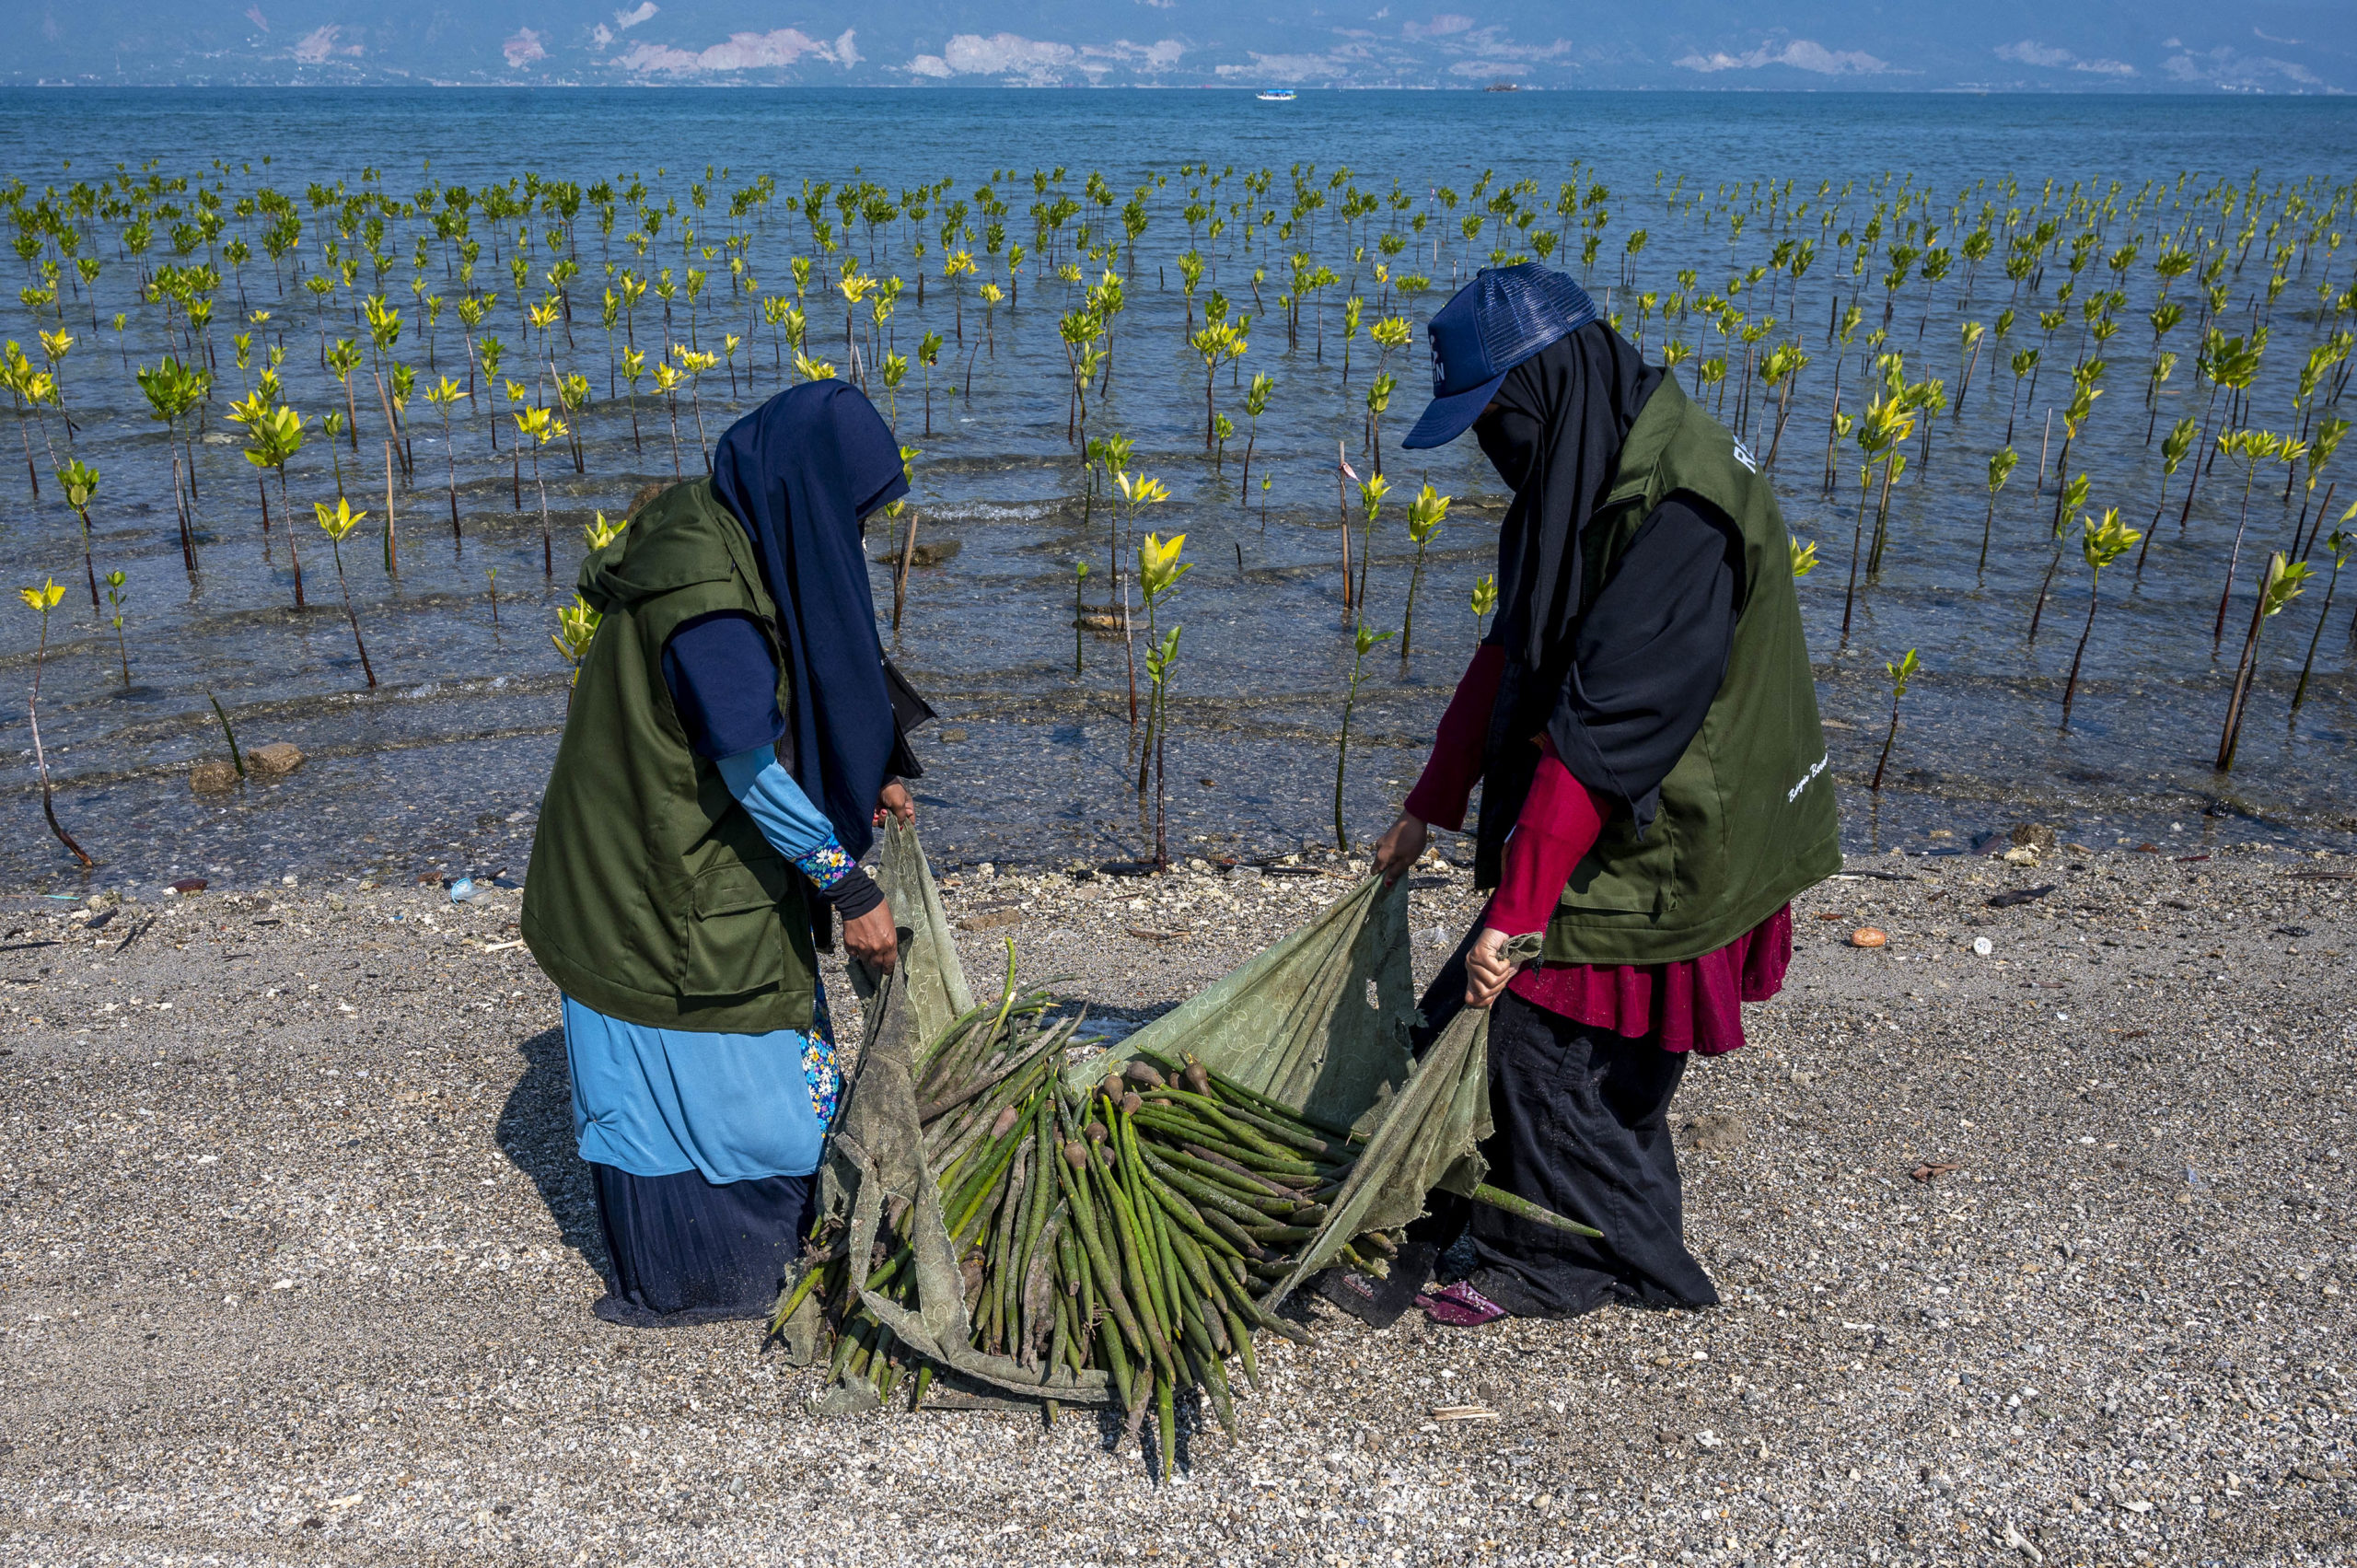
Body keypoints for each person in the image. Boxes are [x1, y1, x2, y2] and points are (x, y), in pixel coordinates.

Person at [1369, 264, 1840, 1327]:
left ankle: (1585, 1260)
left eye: (1495, 420)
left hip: (1680, 822)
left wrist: (1518, 916)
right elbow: (1514, 651)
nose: (1494, 450)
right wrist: (1428, 803)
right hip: (1625, 798)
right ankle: (1521, 1216)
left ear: (1543, 388)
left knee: (1539, 1045)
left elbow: (1602, 734)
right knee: (1467, 1029)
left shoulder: (1679, 505)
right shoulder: (1590, 458)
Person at [522, 380, 931, 1326]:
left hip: (656, 840)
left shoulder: (724, 521)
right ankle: (701, 1280)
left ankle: (734, 1262)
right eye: (850, 515)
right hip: (641, 873)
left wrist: (869, 765)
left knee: (748, 1080)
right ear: (808, 496)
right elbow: (749, 767)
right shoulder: (707, 604)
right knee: (758, 1099)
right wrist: (848, 881)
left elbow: (805, 660)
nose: (853, 540)